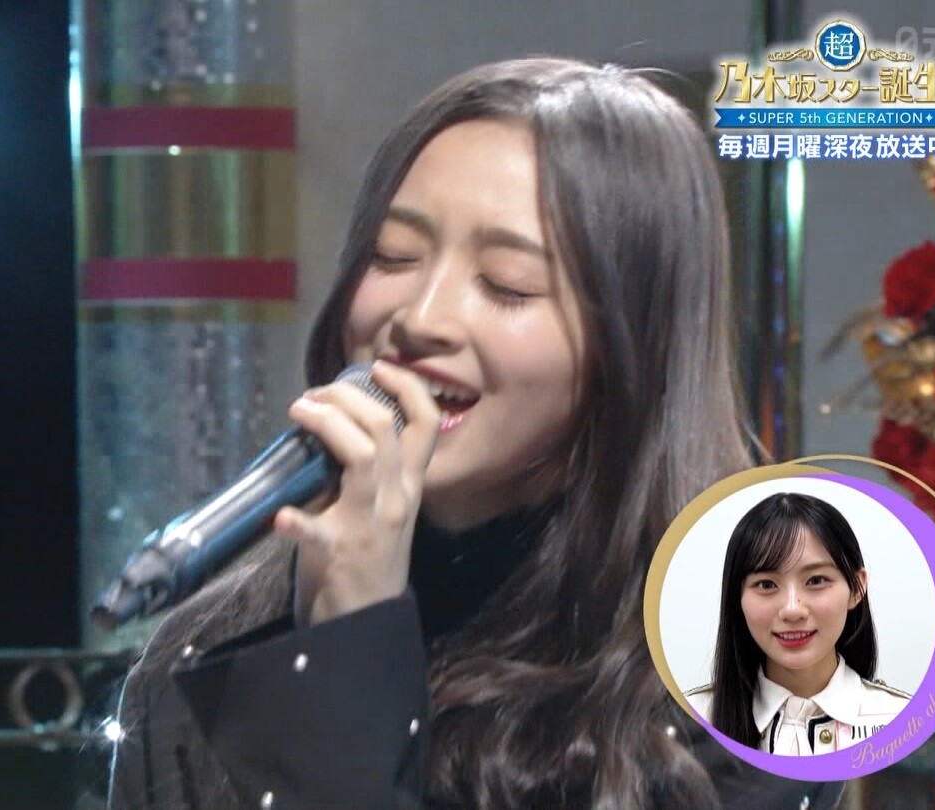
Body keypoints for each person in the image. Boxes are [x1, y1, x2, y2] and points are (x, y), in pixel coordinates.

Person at [107, 57, 844, 809]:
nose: (420, 318)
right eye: (393, 257)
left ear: (635, 344)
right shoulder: (212, 646)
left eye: (507, 284)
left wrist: (348, 651)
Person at [685, 492, 913, 757]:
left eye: (816, 580)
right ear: (737, 596)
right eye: (766, 584)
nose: (792, 610)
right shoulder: (687, 723)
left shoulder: (904, 720)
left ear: (857, 588)